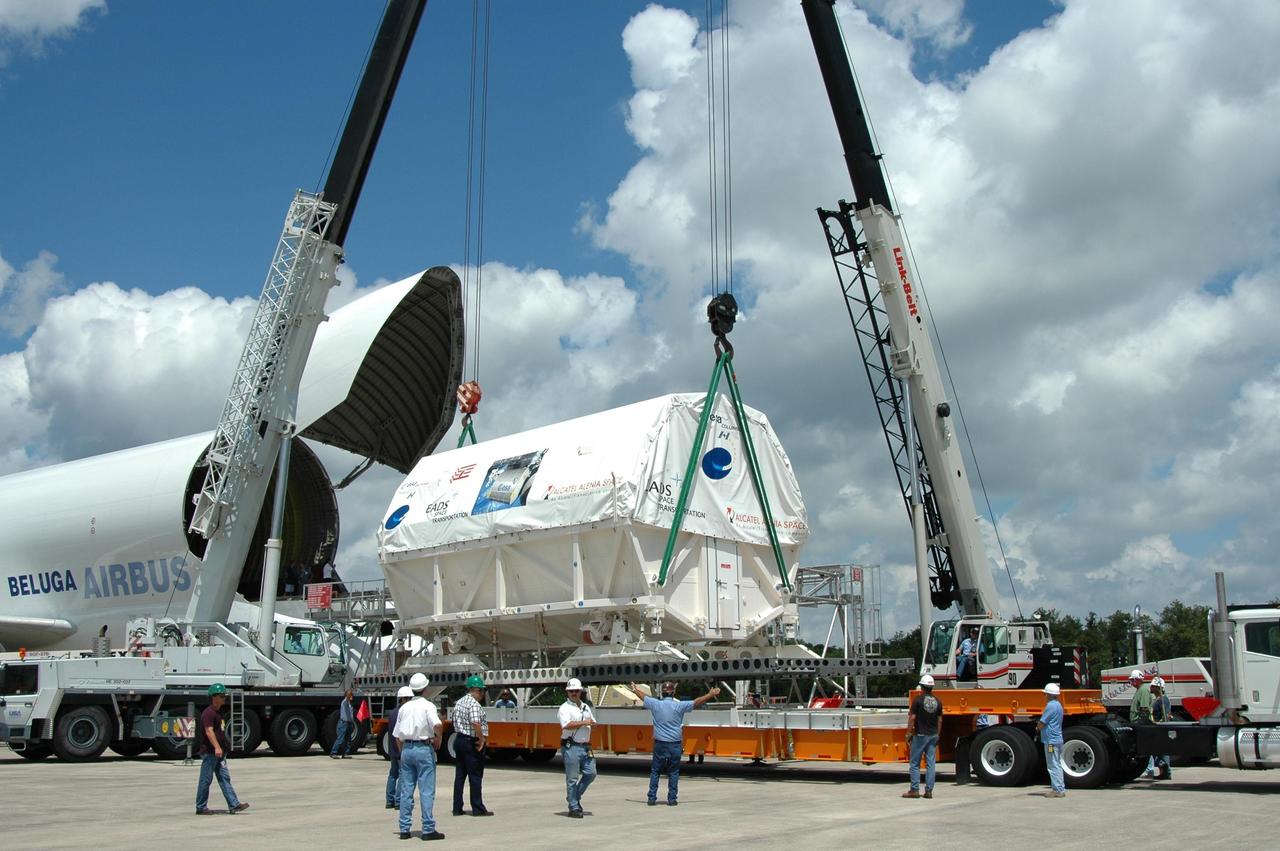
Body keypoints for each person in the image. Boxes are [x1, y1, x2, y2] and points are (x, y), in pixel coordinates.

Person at [628, 680, 720, 806]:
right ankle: (672, 799)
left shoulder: (656, 704)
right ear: (673, 692)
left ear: (663, 693)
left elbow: (644, 697)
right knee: (673, 772)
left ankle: (651, 798)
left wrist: (635, 689)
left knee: (655, 771)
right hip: (674, 744)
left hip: (660, 743)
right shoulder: (679, 706)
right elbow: (696, 702)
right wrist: (710, 694)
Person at [394, 672, 445, 841]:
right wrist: (438, 739)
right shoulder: (427, 706)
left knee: (406, 790)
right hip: (423, 748)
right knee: (426, 790)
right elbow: (437, 724)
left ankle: (404, 828)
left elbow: (397, 736)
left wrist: (403, 752)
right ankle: (428, 829)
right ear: (425, 688)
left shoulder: (404, 708)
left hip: (407, 748)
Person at [195, 683, 250, 815]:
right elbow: (209, 732)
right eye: (221, 696)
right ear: (214, 697)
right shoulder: (208, 713)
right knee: (206, 779)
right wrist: (217, 747)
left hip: (220, 753)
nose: (224, 698)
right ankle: (201, 807)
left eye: (224, 695)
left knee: (225, 778)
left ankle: (234, 804)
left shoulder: (219, 712)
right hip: (210, 752)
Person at [451, 675, 494, 817]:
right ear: (477, 690)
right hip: (471, 742)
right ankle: (478, 808)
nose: (482, 694)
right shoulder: (474, 704)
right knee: (475, 776)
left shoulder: (460, 702)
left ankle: (457, 807)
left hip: (459, 740)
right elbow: (476, 723)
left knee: (460, 776)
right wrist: (481, 739)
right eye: (482, 691)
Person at [558, 677, 597, 818]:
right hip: (571, 747)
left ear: (580, 691)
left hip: (585, 746)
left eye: (576, 691)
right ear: (567, 692)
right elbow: (566, 725)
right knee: (572, 778)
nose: (573, 693)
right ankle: (573, 807)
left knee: (591, 773)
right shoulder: (564, 708)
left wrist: (591, 723)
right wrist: (584, 722)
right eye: (571, 691)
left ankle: (573, 797)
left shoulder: (586, 707)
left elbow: (592, 721)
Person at [902, 673, 942, 799]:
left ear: (922, 687)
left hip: (920, 735)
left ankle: (914, 790)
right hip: (933, 735)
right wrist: (938, 734)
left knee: (915, 763)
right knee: (931, 763)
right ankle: (929, 790)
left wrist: (908, 732)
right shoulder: (938, 701)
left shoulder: (918, 700)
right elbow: (940, 720)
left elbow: (912, 718)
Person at [386, 686, 413, 810]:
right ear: (405, 699)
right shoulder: (405, 712)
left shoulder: (392, 713)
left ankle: (389, 800)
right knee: (402, 774)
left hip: (392, 748)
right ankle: (398, 801)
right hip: (400, 747)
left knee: (393, 774)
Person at [1037, 682, 1066, 798]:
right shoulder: (1058, 705)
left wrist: (1037, 727)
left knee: (1052, 764)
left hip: (1050, 741)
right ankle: (1060, 788)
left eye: (1045, 694)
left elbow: (1042, 722)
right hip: (1057, 739)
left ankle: (1057, 789)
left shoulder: (1050, 706)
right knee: (1057, 763)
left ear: (1049, 694)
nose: (1045, 696)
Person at [1146, 676, 1173, 780]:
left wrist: (1158, 723)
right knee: (1157, 751)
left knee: (1162, 751)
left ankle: (1166, 772)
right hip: (1156, 727)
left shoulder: (1163, 700)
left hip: (1161, 728)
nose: (1150, 687)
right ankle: (1163, 772)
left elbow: (1165, 715)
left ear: (1158, 687)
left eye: (1153, 686)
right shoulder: (1157, 699)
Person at [330, 689, 355, 758]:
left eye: (352, 694)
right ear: (347, 695)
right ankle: (333, 752)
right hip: (344, 723)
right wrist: (348, 697)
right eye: (350, 694)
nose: (351, 696)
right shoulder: (344, 702)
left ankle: (345, 753)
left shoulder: (350, 703)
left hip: (349, 723)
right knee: (340, 738)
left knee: (348, 739)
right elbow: (346, 711)